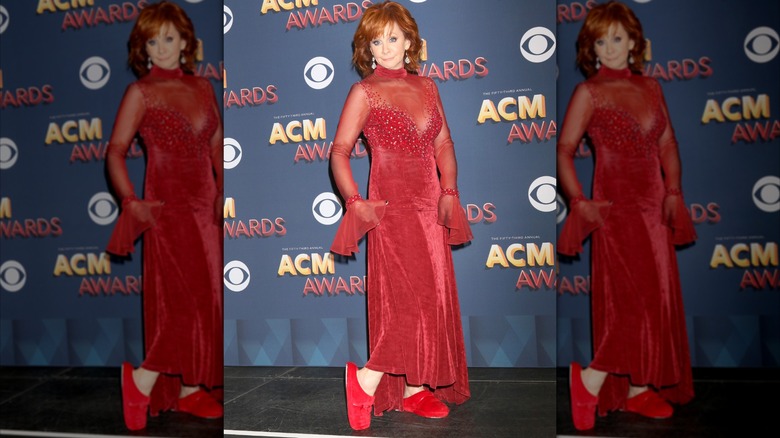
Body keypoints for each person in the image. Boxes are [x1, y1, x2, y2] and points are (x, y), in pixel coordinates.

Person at [328, 1, 473, 431]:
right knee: (409, 301)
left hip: (431, 206)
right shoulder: (364, 91)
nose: (386, 47)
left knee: (432, 299)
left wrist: (449, 190)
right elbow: (338, 152)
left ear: (409, 41)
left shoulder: (428, 87)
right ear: (367, 47)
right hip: (391, 208)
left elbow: (443, 143)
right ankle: (366, 380)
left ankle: (412, 390)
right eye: (377, 39)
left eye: (394, 37)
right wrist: (355, 202)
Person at [556, 0, 697, 431]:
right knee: (630, 304)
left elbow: (668, 144)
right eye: (601, 40)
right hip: (615, 210)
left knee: (654, 300)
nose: (611, 47)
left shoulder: (652, 88)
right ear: (592, 48)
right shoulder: (589, 92)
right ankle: (591, 379)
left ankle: (637, 391)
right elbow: (564, 150)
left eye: (618, 38)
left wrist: (673, 190)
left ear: (634, 42)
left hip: (654, 208)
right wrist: (580, 202)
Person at [104, 1, 223, 431]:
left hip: (205, 210)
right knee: (181, 306)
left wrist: (222, 191)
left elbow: (215, 147)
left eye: (169, 38)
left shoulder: (204, 88)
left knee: (207, 301)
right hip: (167, 212)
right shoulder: (140, 93)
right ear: (144, 47)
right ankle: (141, 380)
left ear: (186, 41)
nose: (161, 48)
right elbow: (115, 152)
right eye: (152, 40)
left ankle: (190, 390)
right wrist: (130, 200)